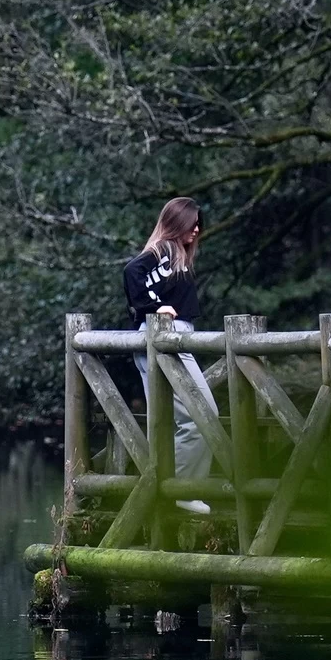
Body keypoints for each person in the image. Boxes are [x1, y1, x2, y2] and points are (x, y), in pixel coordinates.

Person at [123, 196, 211, 512]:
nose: (198, 229)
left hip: (174, 338)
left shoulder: (180, 256)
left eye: (199, 224)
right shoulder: (165, 251)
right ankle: (179, 490)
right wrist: (153, 306)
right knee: (202, 415)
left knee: (177, 420)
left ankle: (170, 488)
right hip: (163, 338)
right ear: (177, 224)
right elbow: (132, 271)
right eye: (193, 223)